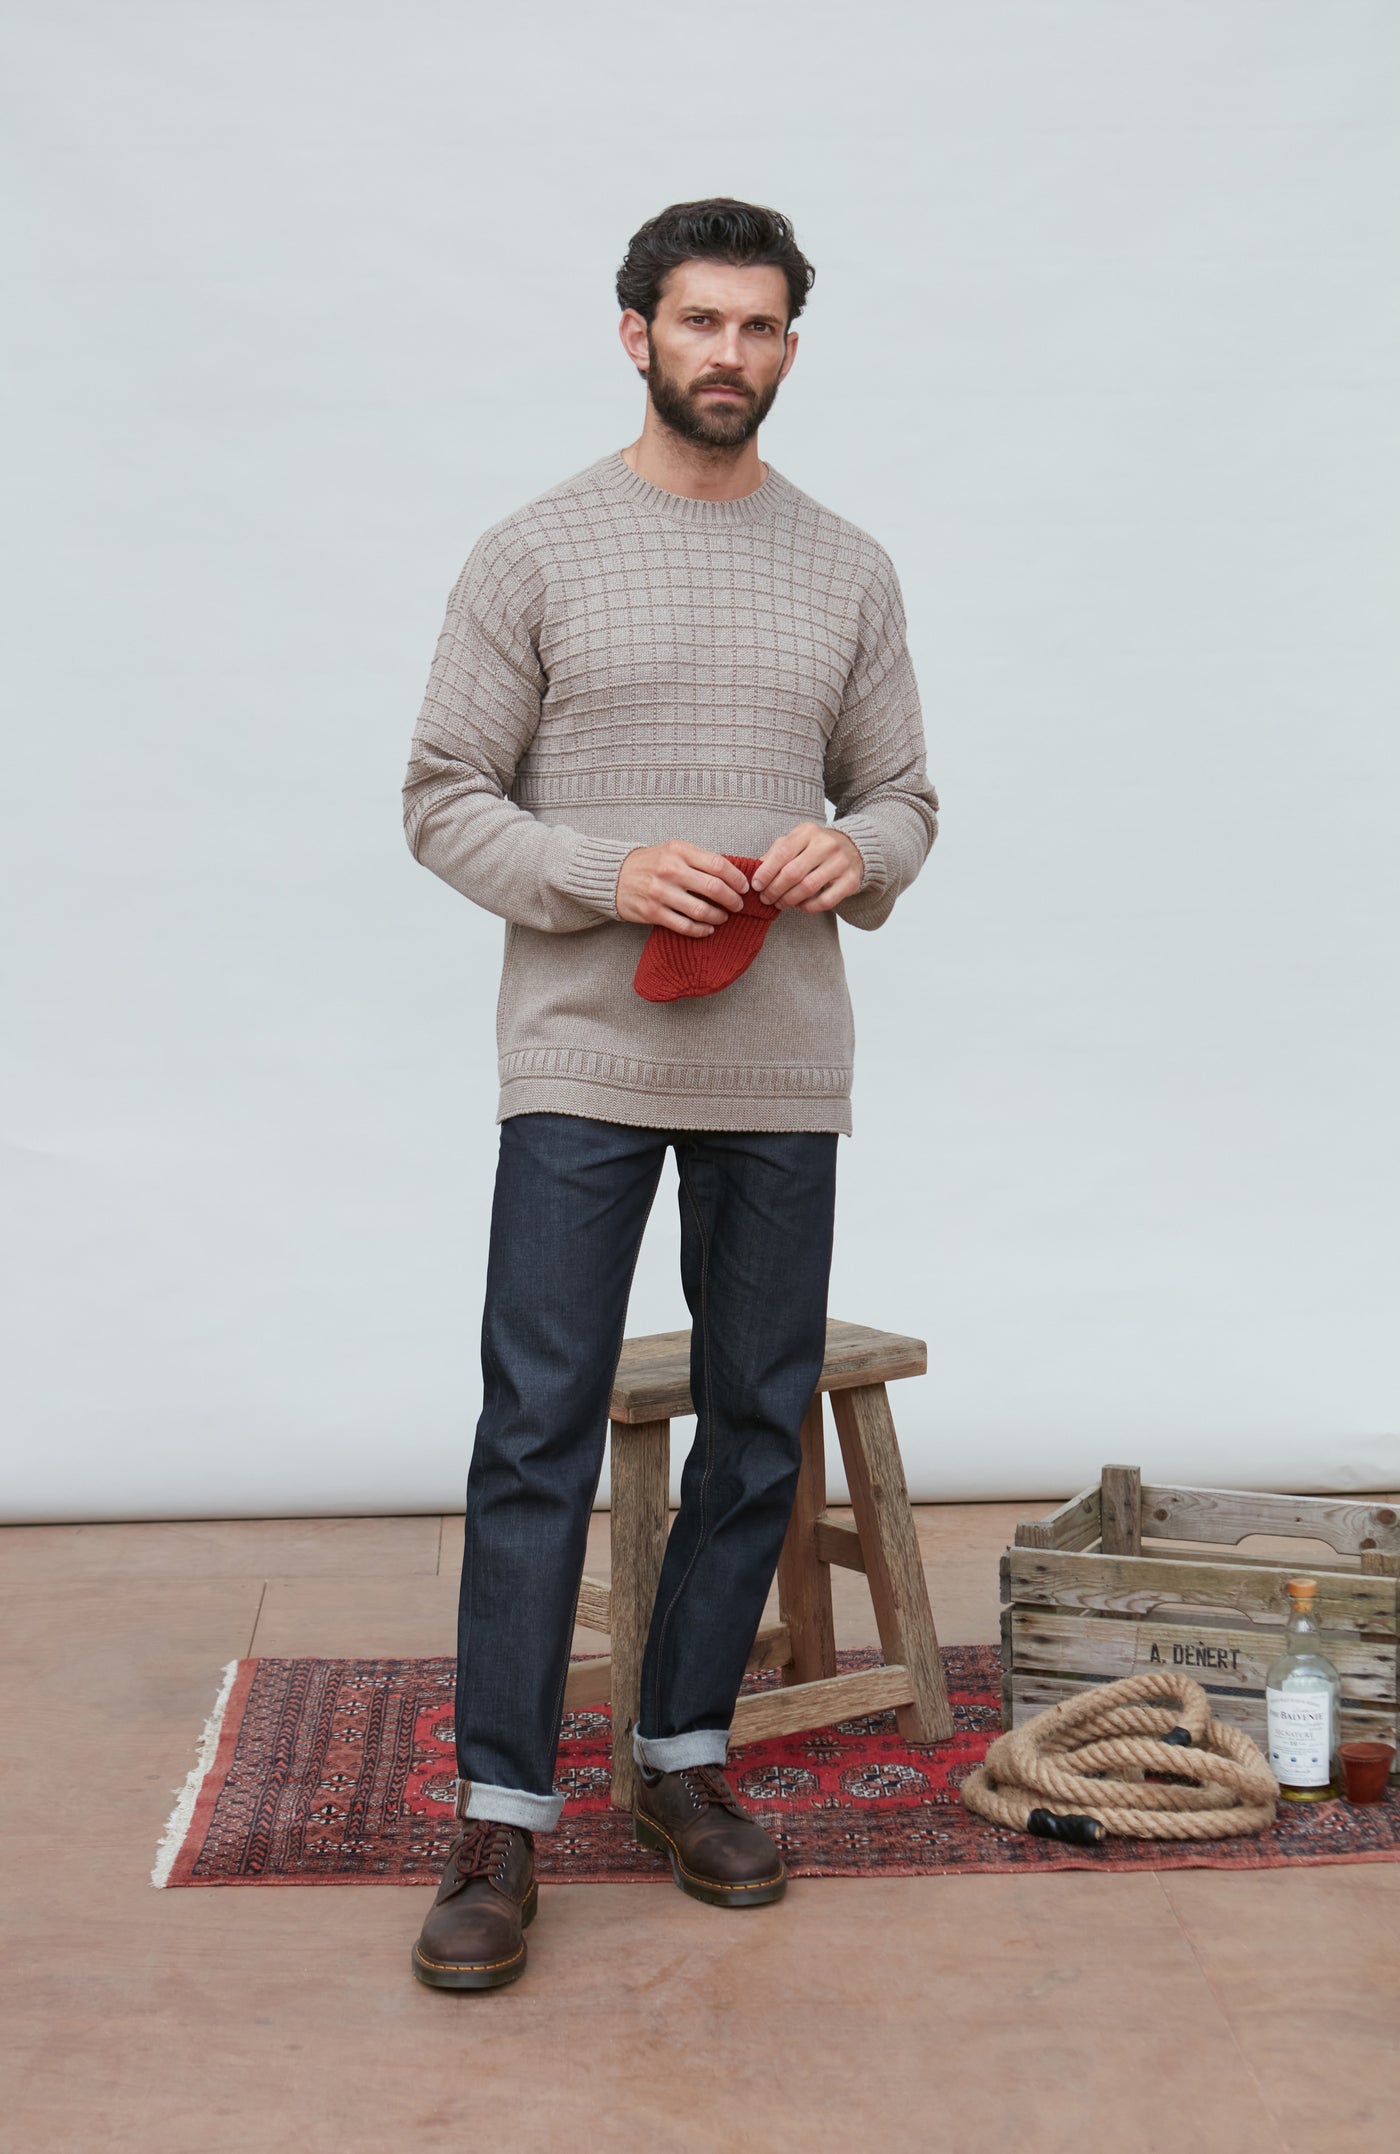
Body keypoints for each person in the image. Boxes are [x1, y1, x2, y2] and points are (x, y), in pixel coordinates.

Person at [401, 197, 939, 1989]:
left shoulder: (848, 565)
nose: (732, 355)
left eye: (763, 327)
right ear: (634, 331)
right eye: (701, 322)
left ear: (792, 344)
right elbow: (441, 793)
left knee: (757, 1417)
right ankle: (498, 1814)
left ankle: (683, 1760)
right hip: (584, 1048)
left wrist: (847, 847)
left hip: (780, 1055)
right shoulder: (537, 549)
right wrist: (604, 872)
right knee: (536, 1422)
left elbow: (911, 803)